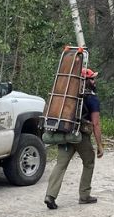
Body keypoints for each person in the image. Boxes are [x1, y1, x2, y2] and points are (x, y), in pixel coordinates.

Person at [44, 68, 104, 209]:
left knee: (60, 165)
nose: (94, 81)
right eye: (92, 79)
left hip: (64, 134)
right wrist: (99, 145)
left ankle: (50, 195)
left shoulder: (66, 95)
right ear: (86, 81)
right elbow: (95, 124)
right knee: (89, 161)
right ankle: (84, 195)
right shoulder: (91, 98)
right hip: (80, 136)